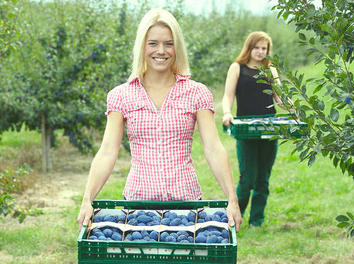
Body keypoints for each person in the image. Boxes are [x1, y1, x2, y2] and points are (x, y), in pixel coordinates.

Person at [76, 8, 242, 231]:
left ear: (177, 47)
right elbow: (107, 151)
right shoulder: (121, 95)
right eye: (153, 43)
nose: (161, 51)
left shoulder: (197, 93)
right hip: (138, 208)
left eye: (169, 44)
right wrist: (87, 199)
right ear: (142, 46)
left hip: (185, 206)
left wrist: (232, 198)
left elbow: (213, 148)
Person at [221, 31, 287, 227]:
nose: (260, 52)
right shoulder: (237, 68)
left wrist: (294, 110)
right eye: (256, 48)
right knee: (247, 178)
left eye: (263, 48)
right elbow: (228, 96)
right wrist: (227, 112)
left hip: (269, 127)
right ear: (249, 48)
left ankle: (257, 221)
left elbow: (280, 98)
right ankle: (234, 217)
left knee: (263, 179)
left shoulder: (270, 70)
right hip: (246, 129)